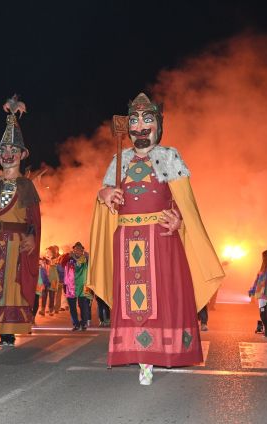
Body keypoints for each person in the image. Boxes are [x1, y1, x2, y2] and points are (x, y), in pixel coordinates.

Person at [89, 92, 224, 385]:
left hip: (161, 239)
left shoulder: (169, 157)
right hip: (126, 240)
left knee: (163, 301)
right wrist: (104, 194)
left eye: (146, 120)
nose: (139, 126)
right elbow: (105, 200)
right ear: (128, 127)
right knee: (132, 304)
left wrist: (180, 220)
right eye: (134, 121)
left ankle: (157, 355)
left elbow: (186, 204)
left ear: (157, 126)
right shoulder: (118, 160)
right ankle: (142, 357)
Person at [0, 96, 41, 347]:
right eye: (3, 150)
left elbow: (33, 218)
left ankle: (8, 331)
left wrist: (30, 236)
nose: (7, 154)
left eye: (13, 150)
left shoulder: (26, 185)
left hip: (14, 245)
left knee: (10, 287)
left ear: (22, 154)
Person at [248, 250, 267, 338]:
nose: (263, 259)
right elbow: (256, 281)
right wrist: (252, 290)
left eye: (264, 257)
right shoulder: (261, 269)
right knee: (263, 314)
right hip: (261, 296)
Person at [64, 242, 90, 331]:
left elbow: (93, 266)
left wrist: (89, 257)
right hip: (71, 287)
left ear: (82, 251)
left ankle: (84, 323)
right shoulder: (69, 259)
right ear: (73, 250)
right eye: (76, 249)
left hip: (82, 286)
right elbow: (61, 265)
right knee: (72, 307)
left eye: (79, 249)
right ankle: (76, 324)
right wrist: (67, 256)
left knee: (83, 306)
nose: (77, 251)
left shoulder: (85, 259)